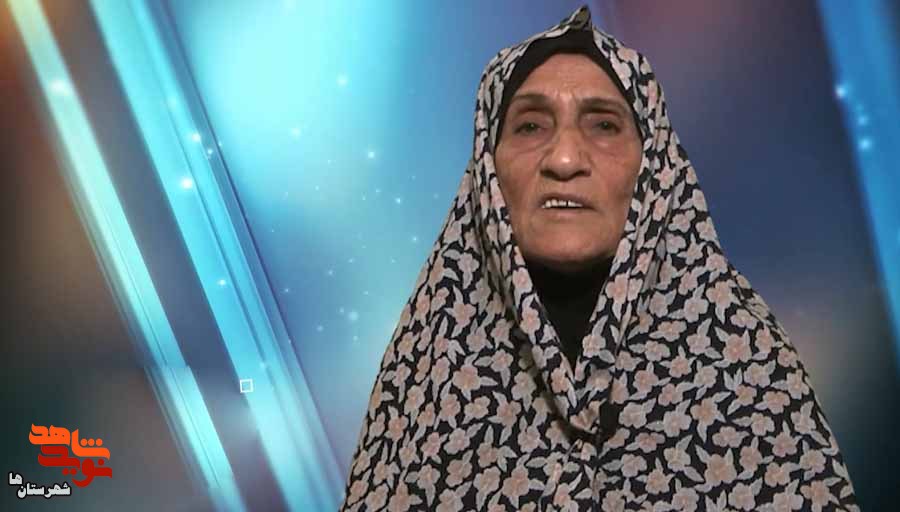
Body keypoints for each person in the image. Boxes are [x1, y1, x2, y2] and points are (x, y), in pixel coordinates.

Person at [339, 5, 858, 511]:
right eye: (530, 126)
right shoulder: (426, 376)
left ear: (653, 167)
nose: (565, 160)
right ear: (488, 168)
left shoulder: (747, 364)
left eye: (604, 126)